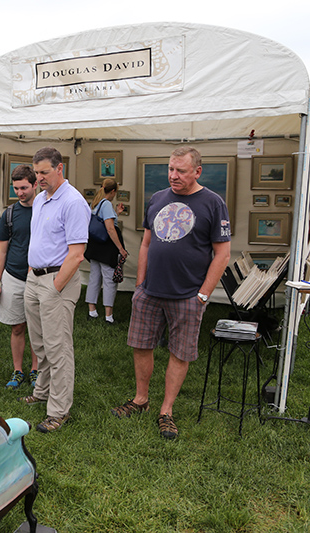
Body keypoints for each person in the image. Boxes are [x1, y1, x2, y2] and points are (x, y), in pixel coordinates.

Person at [111, 146, 231, 440]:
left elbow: (222, 254)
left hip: (189, 294)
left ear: (197, 171)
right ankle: (141, 399)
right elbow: (147, 244)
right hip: (150, 291)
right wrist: (140, 284)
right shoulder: (158, 199)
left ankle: (166, 410)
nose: (173, 176)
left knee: (180, 353)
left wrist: (203, 295)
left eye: (180, 171)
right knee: (141, 345)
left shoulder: (213, 203)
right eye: (170, 169)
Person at [18, 147, 90, 433]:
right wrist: (30, 272)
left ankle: (59, 411)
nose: (39, 178)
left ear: (60, 169)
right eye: (36, 173)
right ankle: (42, 392)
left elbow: (77, 253)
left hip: (56, 280)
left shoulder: (73, 202)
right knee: (40, 345)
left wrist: (55, 286)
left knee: (58, 348)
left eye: (44, 172)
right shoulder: (40, 200)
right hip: (35, 278)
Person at [0, 165, 39, 389]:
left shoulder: (45, 208)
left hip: (39, 277)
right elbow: (1, 249)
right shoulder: (9, 214)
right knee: (17, 327)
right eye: (16, 188)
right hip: (13, 276)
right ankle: (18, 370)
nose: (20, 192)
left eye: (24, 187)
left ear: (35, 184)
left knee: (38, 328)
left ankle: (36, 370)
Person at [84, 178, 128, 324]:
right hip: (106, 247)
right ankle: (109, 316)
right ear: (114, 191)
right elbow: (109, 228)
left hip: (94, 246)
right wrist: (121, 248)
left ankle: (92, 311)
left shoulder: (95, 202)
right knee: (109, 279)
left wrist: (117, 213)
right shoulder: (107, 203)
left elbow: (102, 223)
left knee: (94, 277)